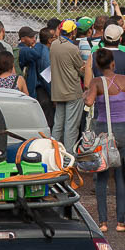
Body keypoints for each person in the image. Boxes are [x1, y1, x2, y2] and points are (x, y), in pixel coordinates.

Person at [84, 49, 125, 233]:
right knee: (120, 176)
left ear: (98, 66)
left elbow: (89, 102)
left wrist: (86, 94)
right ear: (113, 64)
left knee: (101, 176)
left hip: (102, 131)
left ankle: (103, 222)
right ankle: (121, 222)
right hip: (123, 130)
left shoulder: (96, 82)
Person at [50, 20, 86, 152]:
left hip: (58, 91)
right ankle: (69, 157)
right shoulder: (73, 48)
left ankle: (53, 152)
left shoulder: (53, 45)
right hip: (72, 91)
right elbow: (81, 68)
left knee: (58, 124)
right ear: (73, 32)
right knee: (71, 126)